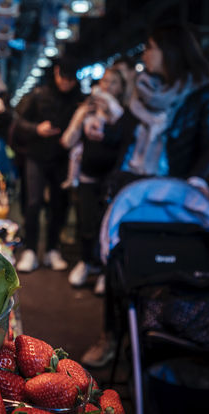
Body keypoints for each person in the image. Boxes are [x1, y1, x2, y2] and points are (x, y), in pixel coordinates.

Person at [81, 24, 209, 368]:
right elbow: (121, 138)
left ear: (171, 50)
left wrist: (197, 183)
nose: (144, 55)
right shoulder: (140, 91)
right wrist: (101, 129)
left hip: (175, 197)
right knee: (121, 266)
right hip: (130, 193)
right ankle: (112, 336)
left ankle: (168, 340)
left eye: (150, 47)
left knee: (171, 274)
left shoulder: (204, 92)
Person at [12, 58, 85, 272]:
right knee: (32, 204)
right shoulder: (38, 94)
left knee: (59, 206)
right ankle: (31, 250)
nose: (66, 83)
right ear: (56, 72)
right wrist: (37, 129)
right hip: (36, 156)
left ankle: (53, 249)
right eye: (63, 77)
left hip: (63, 159)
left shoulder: (79, 100)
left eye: (71, 79)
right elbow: (19, 123)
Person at [60, 68, 129, 293]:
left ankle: (104, 269)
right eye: (105, 81)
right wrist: (80, 116)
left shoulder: (124, 114)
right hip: (87, 176)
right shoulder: (87, 110)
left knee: (108, 225)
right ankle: (86, 261)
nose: (108, 86)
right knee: (86, 223)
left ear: (121, 88)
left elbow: (125, 141)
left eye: (114, 82)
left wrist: (113, 110)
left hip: (112, 178)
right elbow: (67, 141)